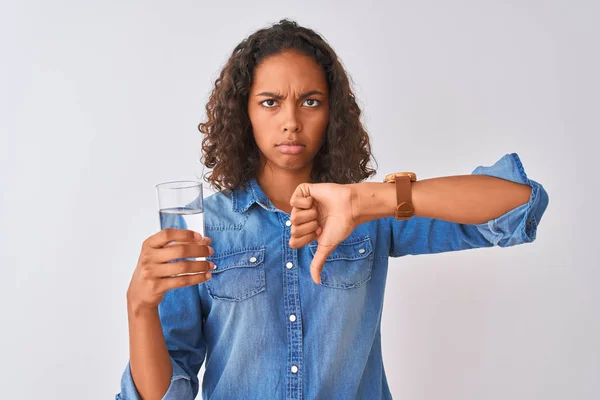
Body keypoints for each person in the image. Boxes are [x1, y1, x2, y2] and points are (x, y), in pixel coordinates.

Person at [116, 19, 549, 400]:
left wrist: (364, 200)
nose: (291, 120)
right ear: (244, 113)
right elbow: (163, 395)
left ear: (332, 112)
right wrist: (140, 306)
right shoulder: (206, 229)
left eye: (310, 101)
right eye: (270, 101)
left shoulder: (371, 216)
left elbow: (518, 203)